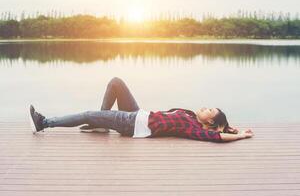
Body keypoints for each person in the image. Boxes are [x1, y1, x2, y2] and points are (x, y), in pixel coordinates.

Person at [29, 77, 254, 142]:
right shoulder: (190, 114)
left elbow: (214, 136)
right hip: (138, 114)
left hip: (131, 123)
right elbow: (220, 128)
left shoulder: (193, 127)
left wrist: (240, 136)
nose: (205, 108)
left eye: (209, 111)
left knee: (88, 114)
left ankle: (44, 122)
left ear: (210, 122)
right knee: (116, 82)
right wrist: (233, 128)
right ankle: (101, 125)